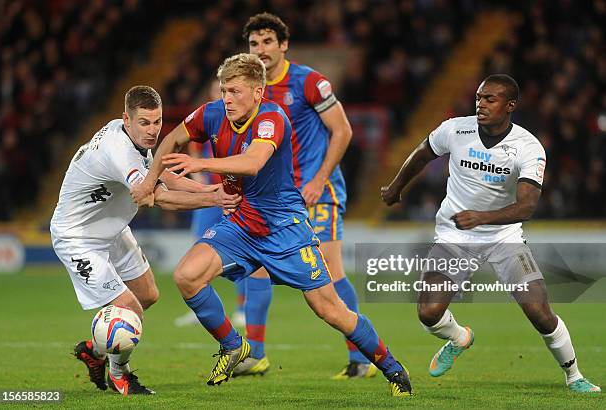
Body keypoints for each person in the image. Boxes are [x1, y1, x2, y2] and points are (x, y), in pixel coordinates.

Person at [131, 54, 412, 397]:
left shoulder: (272, 117)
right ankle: (235, 346)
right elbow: (173, 138)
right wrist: (150, 180)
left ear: (258, 91)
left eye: (234, 91)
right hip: (241, 223)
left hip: (285, 228)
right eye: (223, 90)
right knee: (186, 276)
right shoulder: (212, 113)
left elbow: (254, 162)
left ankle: (392, 367)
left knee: (330, 309)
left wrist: (199, 161)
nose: (227, 98)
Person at [380, 74, 601, 393]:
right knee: (428, 313)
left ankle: (574, 375)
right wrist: (396, 188)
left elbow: (526, 206)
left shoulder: (527, 147)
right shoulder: (456, 129)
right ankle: (459, 338)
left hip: (504, 239)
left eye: (490, 99)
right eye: (479, 98)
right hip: (455, 236)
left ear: (510, 106)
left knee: (539, 312)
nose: (481, 105)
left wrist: (482, 217)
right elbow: (423, 153)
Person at [50, 85, 241, 396]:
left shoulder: (134, 139)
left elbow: (162, 176)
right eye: (144, 123)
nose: (152, 131)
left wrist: (210, 191)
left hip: (112, 229)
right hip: (78, 238)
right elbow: (156, 196)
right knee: (128, 308)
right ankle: (120, 376)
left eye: (157, 122)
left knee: (148, 296)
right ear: (127, 119)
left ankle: (95, 353)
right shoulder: (118, 150)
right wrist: (215, 201)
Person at [231, 12, 373, 380]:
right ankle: (256, 354)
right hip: (275, 196)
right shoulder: (251, 90)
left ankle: (361, 358)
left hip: (317, 190)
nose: (260, 50)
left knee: (328, 265)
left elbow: (342, 131)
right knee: (257, 264)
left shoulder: (309, 82)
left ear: (283, 45)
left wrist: (318, 179)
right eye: (253, 43)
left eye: (267, 42)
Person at [175, 80, 247, 328]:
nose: (223, 96)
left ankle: (242, 308)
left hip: (235, 197)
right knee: (200, 248)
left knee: (241, 252)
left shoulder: (243, 122)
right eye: (219, 91)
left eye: (227, 92)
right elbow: (193, 151)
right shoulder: (207, 119)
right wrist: (200, 181)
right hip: (209, 197)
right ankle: (200, 306)